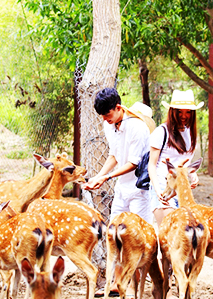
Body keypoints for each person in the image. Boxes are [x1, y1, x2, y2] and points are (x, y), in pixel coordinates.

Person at [84, 87, 153, 224]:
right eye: (101, 115)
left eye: (107, 114)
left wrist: (106, 177)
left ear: (118, 107)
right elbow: (114, 156)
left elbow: (133, 163)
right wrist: (98, 177)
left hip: (139, 190)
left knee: (138, 234)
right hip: (121, 189)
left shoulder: (137, 127)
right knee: (114, 229)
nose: (104, 118)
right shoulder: (109, 125)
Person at [148, 89, 203, 226]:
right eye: (180, 111)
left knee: (184, 234)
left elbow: (184, 162)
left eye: (188, 112)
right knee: (171, 232)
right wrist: (158, 190)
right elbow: (152, 165)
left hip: (181, 190)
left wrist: (193, 174)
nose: (184, 116)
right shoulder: (162, 132)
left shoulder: (191, 133)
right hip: (163, 187)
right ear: (172, 111)